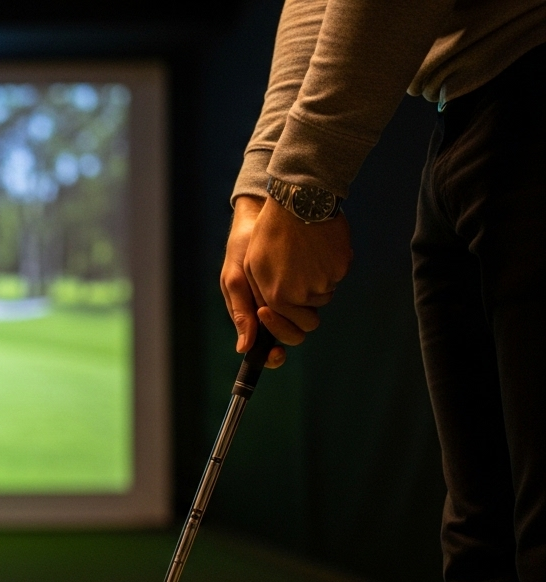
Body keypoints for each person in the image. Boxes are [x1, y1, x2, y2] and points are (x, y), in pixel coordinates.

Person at [222, 0, 546, 578]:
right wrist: (262, 188)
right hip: (464, 121)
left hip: (527, 82)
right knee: (478, 538)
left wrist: (303, 185)